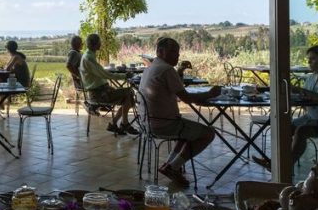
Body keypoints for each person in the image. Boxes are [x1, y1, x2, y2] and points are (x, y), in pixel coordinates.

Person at [139, 37, 221, 186]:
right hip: (165, 124)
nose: (177, 56)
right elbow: (186, 98)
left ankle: (169, 166)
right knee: (209, 133)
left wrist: (181, 71)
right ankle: (172, 167)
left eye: (177, 52)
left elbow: (176, 89)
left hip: (147, 123)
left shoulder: (151, 67)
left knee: (188, 134)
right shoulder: (166, 69)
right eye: (173, 52)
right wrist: (210, 94)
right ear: (160, 52)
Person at [253, 44, 318, 171]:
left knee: (301, 131)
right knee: (284, 127)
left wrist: (300, 91)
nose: (309, 62)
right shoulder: (312, 78)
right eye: (309, 59)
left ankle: (284, 167)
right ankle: (277, 162)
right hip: (311, 117)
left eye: (313, 58)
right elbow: (307, 96)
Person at [79, 34, 138, 135]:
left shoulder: (89, 55)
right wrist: (125, 76)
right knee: (129, 93)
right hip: (98, 94)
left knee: (128, 96)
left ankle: (117, 124)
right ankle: (122, 123)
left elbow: (101, 73)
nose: (101, 44)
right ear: (95, 44)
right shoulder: (89, 58)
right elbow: (104, 74)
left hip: (102, 91)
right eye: (99, 42)